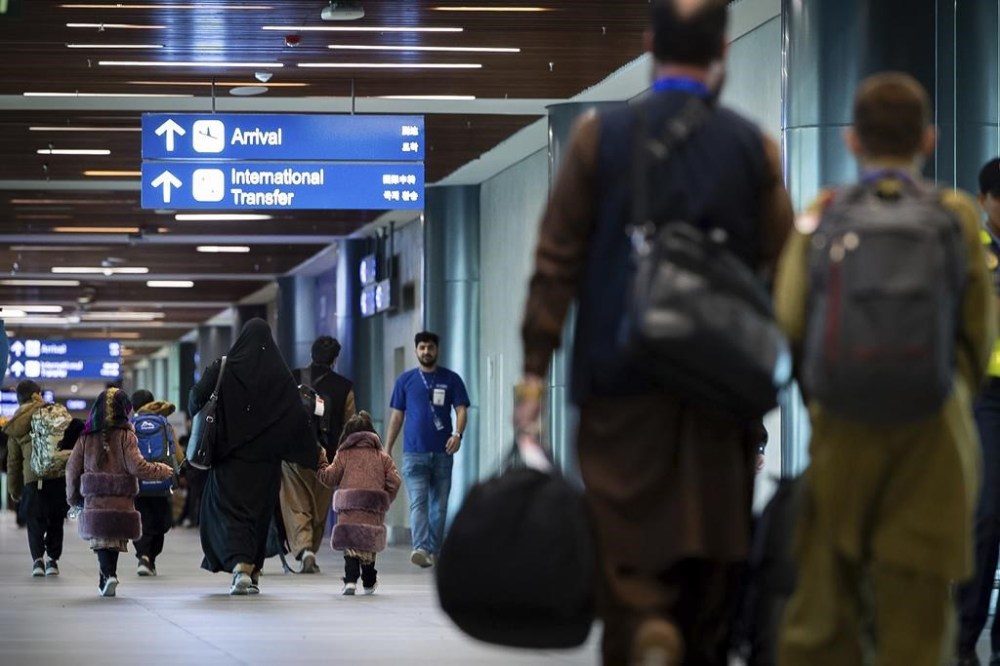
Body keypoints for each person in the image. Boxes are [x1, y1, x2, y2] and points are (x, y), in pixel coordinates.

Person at [514, 1, 794, 662]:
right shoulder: (753, 148)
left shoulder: (596, 138)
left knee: (627, 556)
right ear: (722, 50)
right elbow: (788, 276)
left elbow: (555, 265)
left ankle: (645, 629)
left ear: (649, 45)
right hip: (722, 397)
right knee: (712, 557)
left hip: (619, 386)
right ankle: (686, 637)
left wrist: (533, 376)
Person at [774, 74, 996, 666]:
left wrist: (825, 399)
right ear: (928, 139)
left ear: (852, 141)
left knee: (822, 617)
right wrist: (947, 394)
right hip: (932, 433)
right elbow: (978, 331)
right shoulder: (954, 217)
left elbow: (790, 319)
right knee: (919, 626)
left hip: (843, 429)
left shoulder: (822, 215)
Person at [189, 318, 319, 595]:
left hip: (228, 461)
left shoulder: (225, 367)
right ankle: (252, 568)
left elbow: (195, 399)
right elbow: (298, 418)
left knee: (230, 514)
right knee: (257, 516)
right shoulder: (280, 376)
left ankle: (240, 568)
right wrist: (305, 452)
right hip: (265, 465)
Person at [953, 157, 1000, 666]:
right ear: (984, 200)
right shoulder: (970, 253)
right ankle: (964, 637)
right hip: (985, 393)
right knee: (984, 514)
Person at [65, 387, 173, 597]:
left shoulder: (86, 436)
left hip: (95, 500)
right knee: (112, 540)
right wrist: (162, 471)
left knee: (101, 540)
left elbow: (71, 469)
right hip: (121, 501)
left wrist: (73, 497)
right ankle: (108, 575)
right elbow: (137, 467)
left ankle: (107, 575)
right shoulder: (126, 435)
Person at [385, 331, 470, 569]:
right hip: (414, 454)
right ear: (416, 350)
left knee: (439, 506)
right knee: (418, 502)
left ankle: (433, 549)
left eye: (430, 347)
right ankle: (420, 547)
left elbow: (462, 410)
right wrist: (387, 447)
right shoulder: (405, 381)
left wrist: (458, 435)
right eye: (422, 347)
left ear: (437, 350)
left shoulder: (451, 379)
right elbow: (397, 416)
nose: (426, 351)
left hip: (443, 453)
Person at [281, 335, 357, 574]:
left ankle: (305, 550)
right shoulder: (345, 387)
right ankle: (311, 547)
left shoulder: (292, 378)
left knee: (296, 504)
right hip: (328, 456)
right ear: (335, 359)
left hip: (293, 453)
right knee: (319, 506)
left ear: (311, 354)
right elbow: (349, 426)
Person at [318, 410, 401, 595]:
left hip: (348, 509)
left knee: (351, 546)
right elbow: (395, 482)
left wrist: (321, 460)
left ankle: (350, 581)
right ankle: (369, 582)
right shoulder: (382, 457)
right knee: (368, 546)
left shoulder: (343, 454)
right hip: (372, 509)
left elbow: (329, 477)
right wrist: (384, 499)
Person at [4, 380, 67, 577]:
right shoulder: (54, 412)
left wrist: (14, 489)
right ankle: (53, 561)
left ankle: (38, 561)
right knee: (56, 520)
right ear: (38, 394)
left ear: (19, 399)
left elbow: (13, 462)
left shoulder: (17, 423)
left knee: (35, 521)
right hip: (57, 475)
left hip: (33, 479)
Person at [129, 388, 180, 577]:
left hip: (138, 482)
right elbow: (177, 453)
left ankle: (143, 556)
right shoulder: (164, 423)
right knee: (160, 521)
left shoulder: (130, 424)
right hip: (161, 479)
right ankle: (150, 558)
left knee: (141, 519)